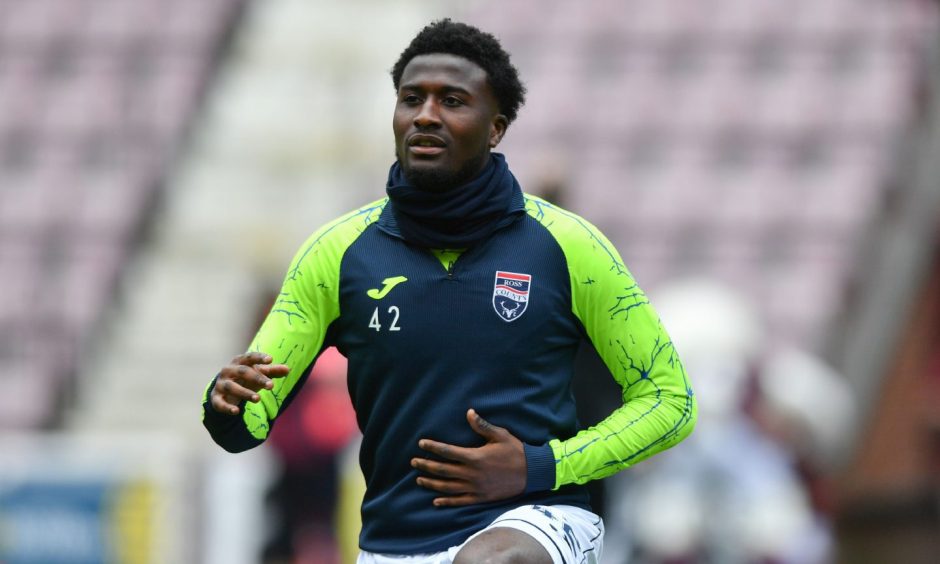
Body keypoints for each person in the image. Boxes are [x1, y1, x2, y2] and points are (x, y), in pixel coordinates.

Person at [202, 19, 697, 564]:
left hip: (543, 521)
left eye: (453, 101)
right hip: (394, 545)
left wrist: (543, 466)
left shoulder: (569, 246)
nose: (426, 115)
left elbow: (670, 403)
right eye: (411, 99)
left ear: (496, 127)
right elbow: (248, 424)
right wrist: (226, 405)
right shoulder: (336, 255)